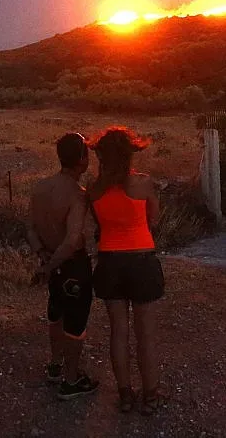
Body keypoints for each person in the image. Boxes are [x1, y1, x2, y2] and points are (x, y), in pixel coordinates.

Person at [87, 127, 166, 415]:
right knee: (145, 333)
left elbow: (99, 225)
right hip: (141, 260)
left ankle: (125, 395)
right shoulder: (144, 184)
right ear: (130, 153)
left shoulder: (93, 190)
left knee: (118, 332)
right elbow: (153, 220)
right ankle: (151, 395)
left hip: (109, 262)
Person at [27, 132, 99, 400]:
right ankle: (71, 381)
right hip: (72, 267)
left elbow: (30, 228)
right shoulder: (78, 195)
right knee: (76, 324)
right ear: (82, 159)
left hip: (51, 261)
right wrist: (49, 266)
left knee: (55, 313)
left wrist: (43, 257)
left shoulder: (40, 187)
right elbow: (71, 241)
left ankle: (55, 365)